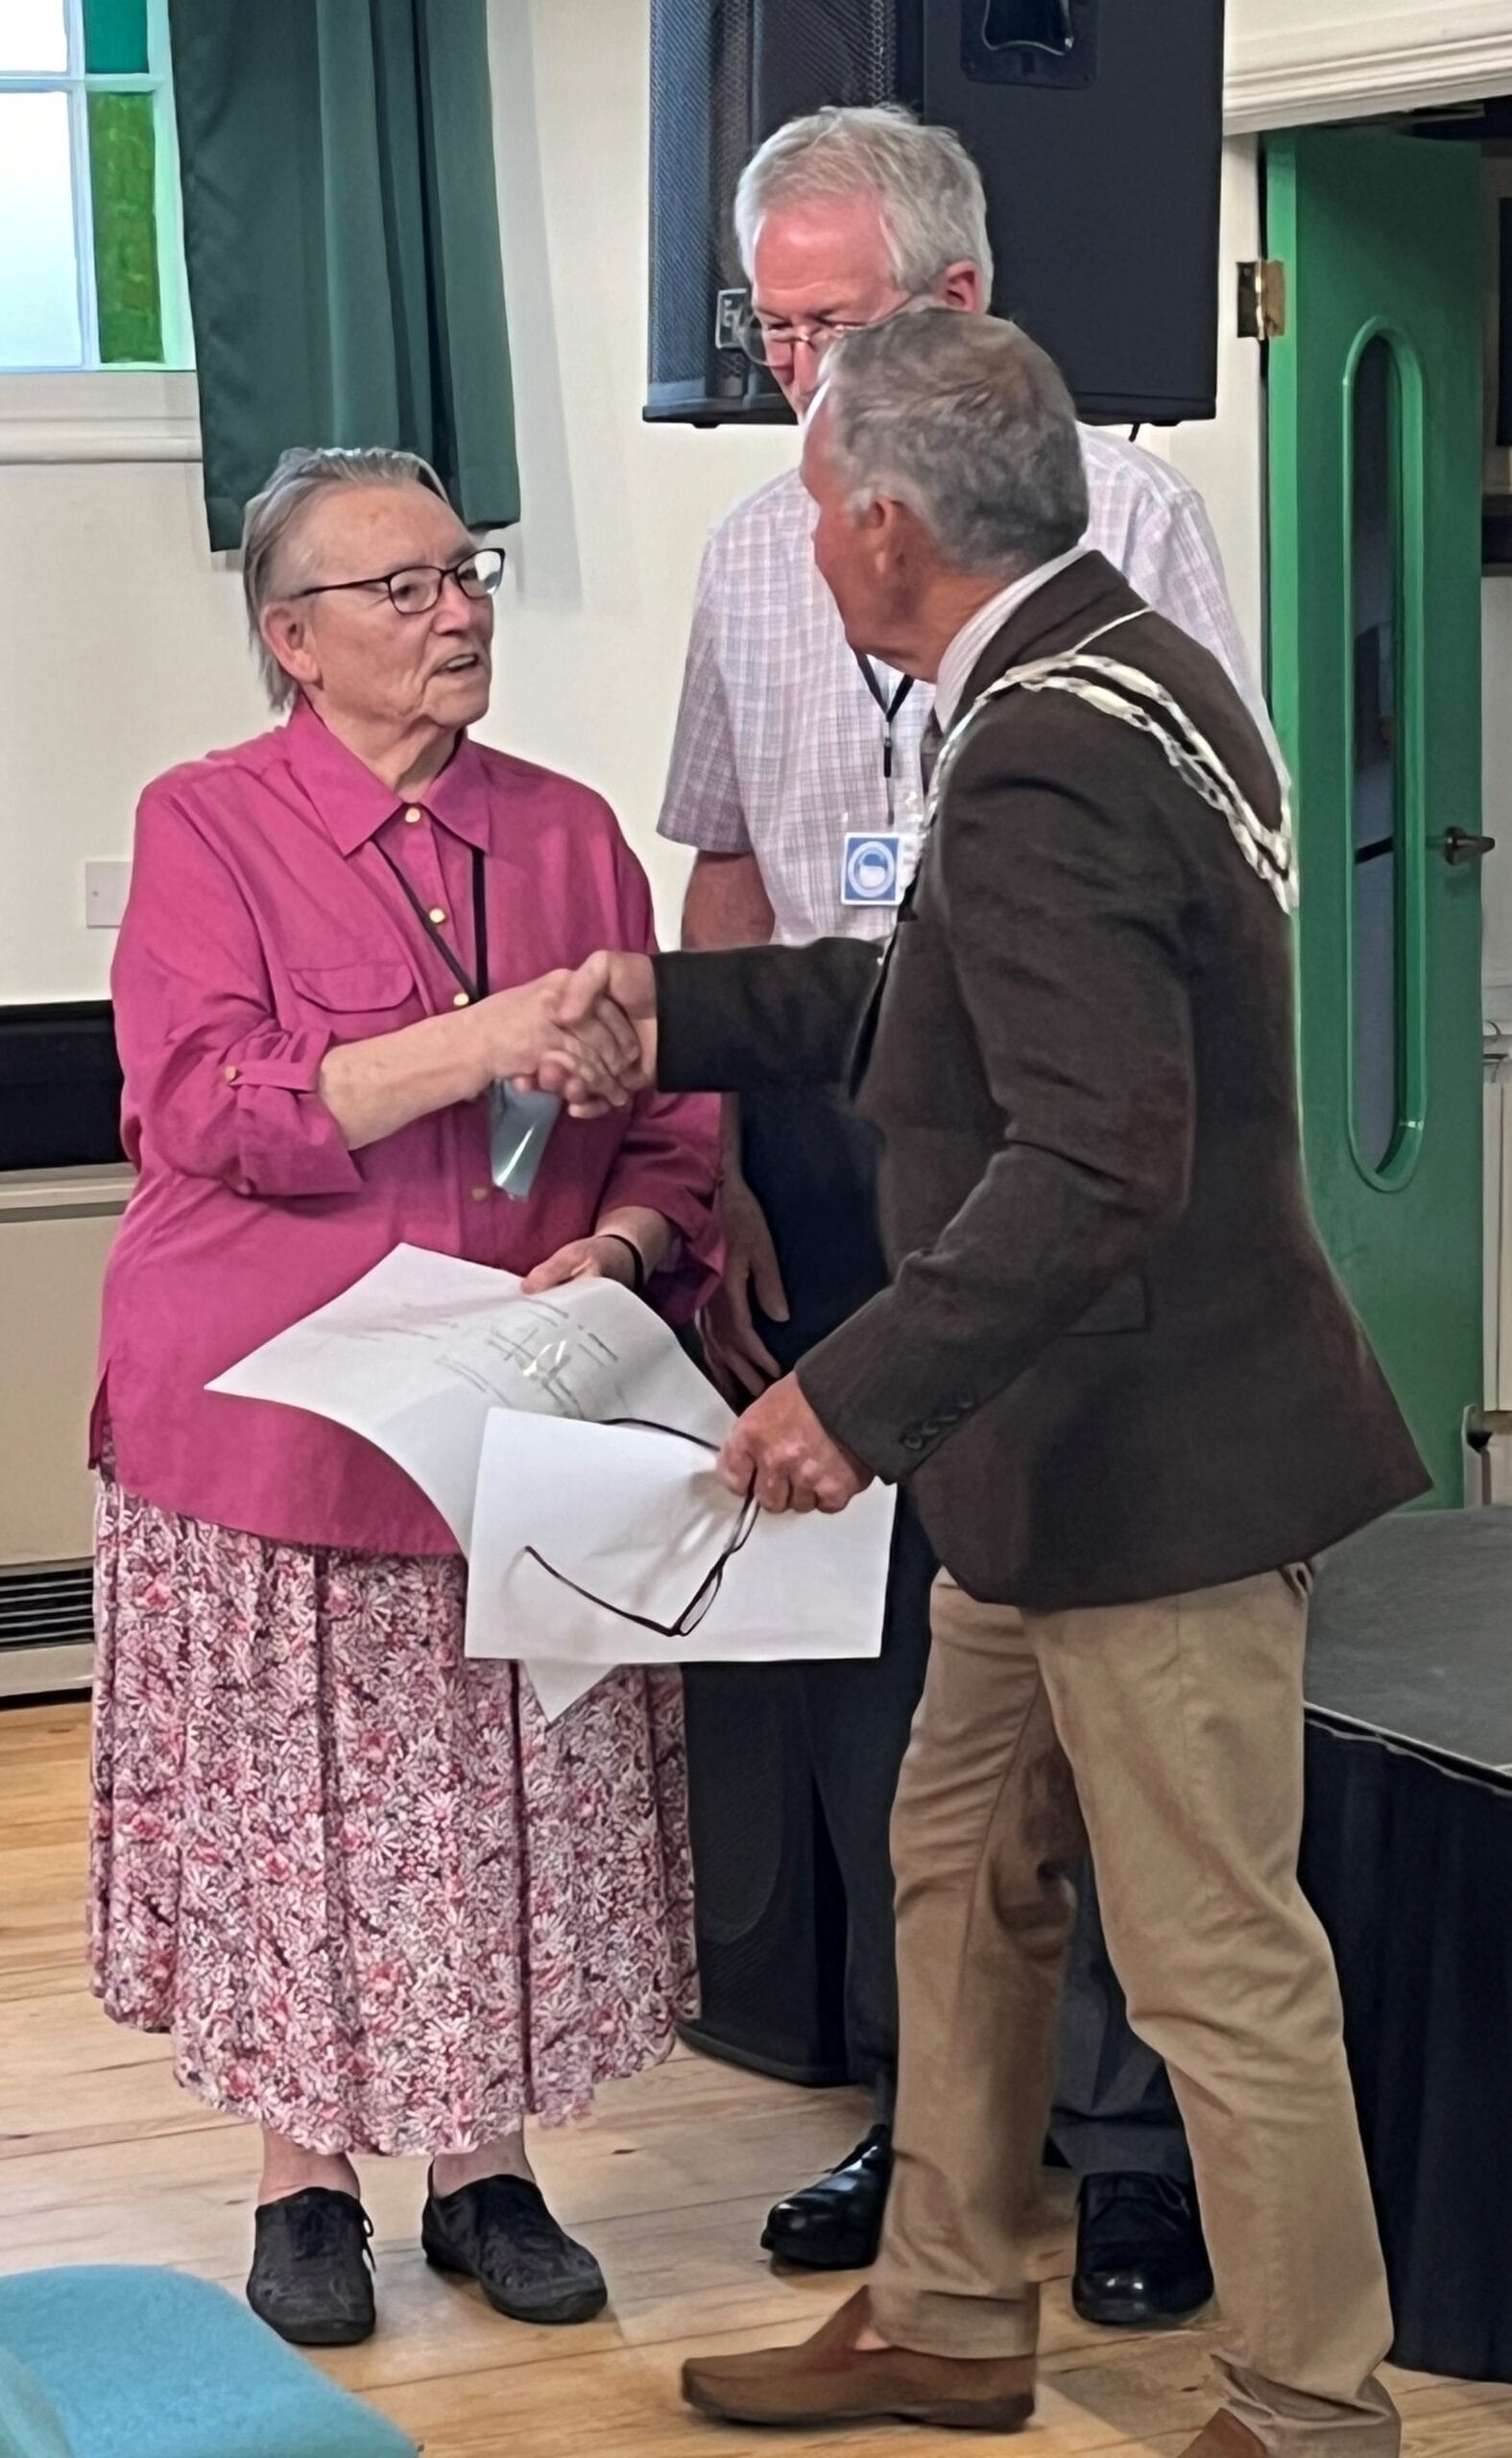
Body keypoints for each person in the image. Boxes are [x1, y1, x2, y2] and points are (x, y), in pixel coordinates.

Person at [570, 308, 1424, 2457]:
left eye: (805, 499)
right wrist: (663, 1008)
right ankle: (951, 2306)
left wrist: (849, 1394)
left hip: (1148, 1469)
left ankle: (1311, 2405)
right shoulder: (1120, 661)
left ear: (877, 527)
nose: (804, 534)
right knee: (957, 1876)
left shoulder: (1041, 738)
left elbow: (1091, 1151)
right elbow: (935, 995)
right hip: (1049, 1463)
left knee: (1214, 1955)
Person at [660, 102, 1282, 2317]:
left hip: (1073, 1169)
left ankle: (1128, 2159)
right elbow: (729, 846)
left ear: (950, 301)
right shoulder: (759, 541)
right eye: (770, 320)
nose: (789, 363)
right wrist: (709, 1134)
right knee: (911, 1705)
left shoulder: (1127, 532)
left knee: (1123, 1723)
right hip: (845, 1136)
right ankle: (932, 2152)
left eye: (826, 320)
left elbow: (1202, 883)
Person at [88, 446, 720, 2350]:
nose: (458, 613)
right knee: (305, 1814)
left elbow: (666, 1127)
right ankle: (299, 2177)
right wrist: (479, 1035)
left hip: (515, 1406)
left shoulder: (571, 832)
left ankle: (483, 2164)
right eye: (404, 589)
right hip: (278, 1421)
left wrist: (609, 1255)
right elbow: (205, 1105)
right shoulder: (205, 823)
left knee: (504, 1804)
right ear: (293, 640)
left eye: (469, 575)